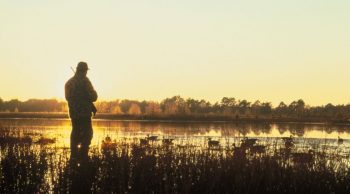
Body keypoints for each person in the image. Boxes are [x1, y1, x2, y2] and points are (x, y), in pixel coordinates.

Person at [65, 61, 98, 158]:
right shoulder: (85, 81)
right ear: (84, 71)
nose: (86, 73)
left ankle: (74, 156)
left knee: (75, 132)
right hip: (85, 114)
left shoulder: (69, 83)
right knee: (87, 134)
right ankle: (83, 156)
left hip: (74, 114)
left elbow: (68, 98)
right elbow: (94, 97)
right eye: (86, 71)